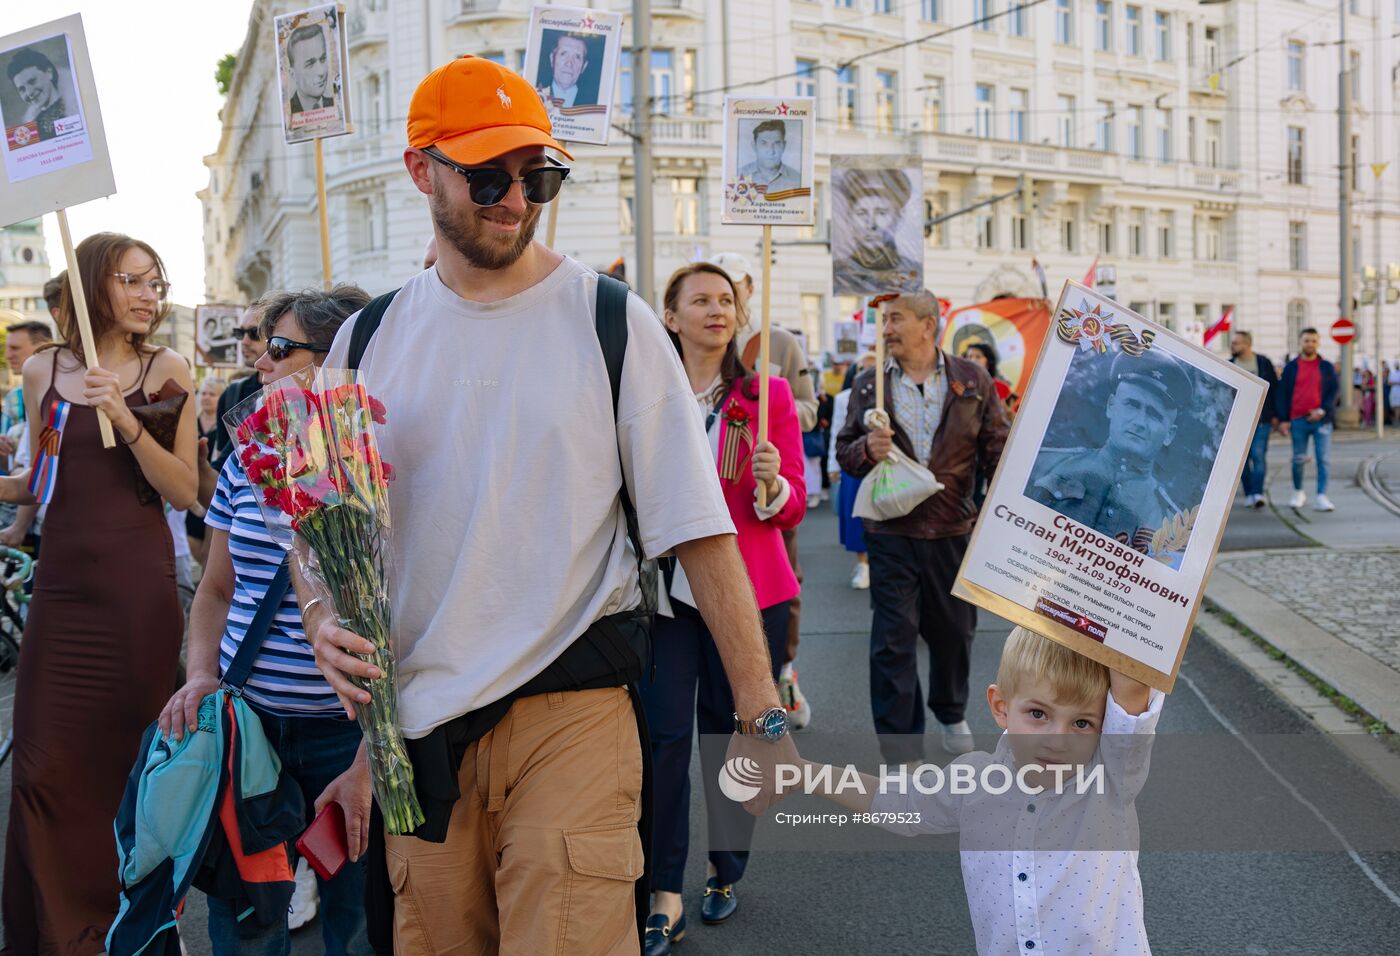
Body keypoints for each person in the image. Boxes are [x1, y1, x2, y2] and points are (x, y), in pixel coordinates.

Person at [305, 56, 792, 954]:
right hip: (419, 729)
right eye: (488, 175)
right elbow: (322, 522)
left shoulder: (613, 321)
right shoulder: (367, 337)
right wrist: (319, 615)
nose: (514, 198)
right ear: (421, 170)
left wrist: (761, 713)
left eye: (538, 176)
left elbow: (700, 530)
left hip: (574, 710)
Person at [159, 285, 373, 956]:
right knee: (249, 918)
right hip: (250, 727)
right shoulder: (246, 461)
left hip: (349, 732)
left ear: (334, 357)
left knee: (359, 918)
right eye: (260, 342)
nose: (260, 360)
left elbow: (410, 628)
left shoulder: (376, 462)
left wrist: (373, 759)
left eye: (279, 347)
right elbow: (217, 590)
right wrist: (199, 676)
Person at [0, 232, 196, 955]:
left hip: (134, 595)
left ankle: (129, 929)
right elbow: (39, 483)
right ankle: (57, 937)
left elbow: (184, 491)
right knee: (41, 769)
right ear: (93, 285)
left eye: (157, 284)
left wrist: (124, 420)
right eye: (135, 281)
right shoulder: (44, 370)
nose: (151, 295)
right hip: (62, 592)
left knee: (127, 767)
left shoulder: (166, 370)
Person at [804, 626, 1161, 955]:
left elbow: (1131, 686)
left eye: (1082, 723)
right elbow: (897, 803)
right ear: (1001, 707)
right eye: (1038, 714)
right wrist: (803, 773)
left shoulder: (1111, 776)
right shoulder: (974, 779)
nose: (1057, 740)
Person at [642, 262, 806, 952]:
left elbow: (792, 500)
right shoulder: (646, 394)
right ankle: (663, 889)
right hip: (662, 600)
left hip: (748, 592)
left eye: (726, 300)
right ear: (670, 317)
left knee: (726, 736)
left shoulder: (766, 396)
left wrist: (771, 485)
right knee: (663, 741)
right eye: (699, 300)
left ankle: (725, 869)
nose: (717, 309)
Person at [835, 290, 1008, 761]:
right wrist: (866, 450)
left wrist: (1006, 501)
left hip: (953, 531)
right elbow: (845, 452)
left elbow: (998, 445)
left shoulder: (972, 379)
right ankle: (901, 753)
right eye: (885, 319)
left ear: (929, 325)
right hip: (891, 533)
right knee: (892, 642)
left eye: (895, 319)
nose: (885, 328)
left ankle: (951, 711)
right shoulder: (869, 383)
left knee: (954, 634)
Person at [709, 251, 818, 730]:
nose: (719, 306)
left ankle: (785, 669)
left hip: (761, 496)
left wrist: (775, 425)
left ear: (748, 292)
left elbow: (809, 409)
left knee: (779, 575)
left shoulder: (780, 343)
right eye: (708, 295)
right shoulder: (680, 355)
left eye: (731, 290)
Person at [1026, 349, 1193, 549]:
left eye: (1154, 415)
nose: (1139, 422)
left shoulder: (1173, 525)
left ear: (1169, 434)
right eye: (1131, 404)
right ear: (1111, 406)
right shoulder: (1041, 465)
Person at [1276, 327, 1339, 513]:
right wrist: (1284, 419)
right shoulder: (1291, 367)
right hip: (1297, 420)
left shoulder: (1326, 366)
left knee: (1323, 459)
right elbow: (1283, 394)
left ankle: (1321, 496)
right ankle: (1298, 492)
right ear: (1300, 343)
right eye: (1306, 340)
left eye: (1313, 340)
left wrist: (1322, 411)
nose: (1310, 344)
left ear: (1318, 343)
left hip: (1321, 420)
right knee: (1298, 459)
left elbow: (1334, 392)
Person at [829, 350, 877, 590]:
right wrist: (833, 465)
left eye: (873, 367)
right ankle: (863, 564)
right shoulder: (843, 398)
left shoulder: (889, 395)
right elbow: (838, 433)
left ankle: (878, 563)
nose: (867, 373)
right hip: (855, 465)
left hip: (884, 467)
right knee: (856, 518)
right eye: (862, 368)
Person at [832, 167, 921, 296]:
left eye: (881, 213)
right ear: (849, 217)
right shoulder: (837, 274)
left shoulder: (916, 274)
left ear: (899, 216)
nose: (871, 225)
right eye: (861, 213)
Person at [211, 304, 268, 472]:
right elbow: (221, 469)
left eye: (254, 333)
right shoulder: (232, 393)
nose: (244, 341)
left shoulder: (296, 391)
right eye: (240, 333)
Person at [1229, 330, 1280, 509]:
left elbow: (1274, 390)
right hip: (1238, 421)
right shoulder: (1230, 364)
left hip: (1261, 419)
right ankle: (1250, 492)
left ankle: (1258, 493)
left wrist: (1276, 415)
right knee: (1242, 460)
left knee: (1258, 456)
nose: (1232, 346)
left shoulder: (1263, 363)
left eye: (1236, 343)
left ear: (1247, 344)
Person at [184, 376, 225, 564]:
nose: (207, 398)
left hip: (214, 485)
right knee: (192, 536)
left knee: (210, 548)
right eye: (205, 393)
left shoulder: (223, 426)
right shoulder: (192, 421)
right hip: (195, 486)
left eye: (213, 394)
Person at [6, 48, 68, 142]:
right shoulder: (29, 130)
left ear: (48, 73)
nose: (29, 92)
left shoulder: (75, 108)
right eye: (22, 89)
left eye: (32, 81)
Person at [736, 119, 801, 194]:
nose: (771, 151)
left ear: (784, 146)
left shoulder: (798, 179)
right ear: (754, 146)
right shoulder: (739, 175)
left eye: (776, 143)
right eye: (764, 143)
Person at [286, 24, 333, 114]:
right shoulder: (289, 114)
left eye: (323, 59)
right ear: (293, 74)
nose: (321, 71)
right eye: (310, 64)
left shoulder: (335, 106)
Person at [535, 33, 592, 107]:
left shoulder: (594, 103)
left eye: (577, 57)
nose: (569, 63)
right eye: (563, 54)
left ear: (584, 66)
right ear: (552, 59)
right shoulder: (534, 93)